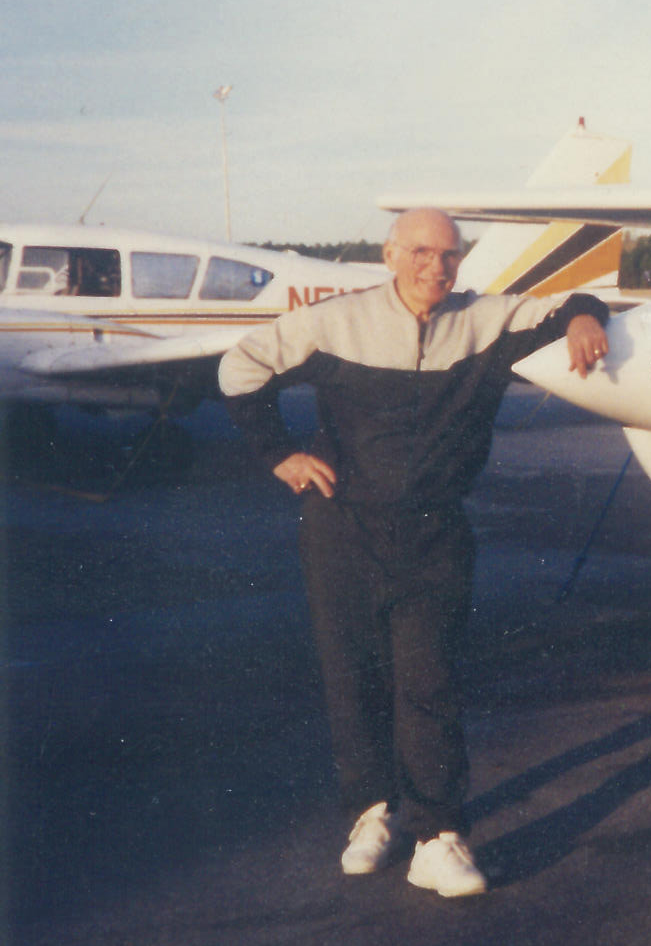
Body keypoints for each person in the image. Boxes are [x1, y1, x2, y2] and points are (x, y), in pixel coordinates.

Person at [220, 208, 610, 897]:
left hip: (435, 532)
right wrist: (280, 453)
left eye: (450, 255)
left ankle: (437, 836)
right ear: (391, 255)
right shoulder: (335, 321)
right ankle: (373, 813)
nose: (437, 267)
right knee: (352, 676)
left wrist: (583, 317)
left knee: (429, 679)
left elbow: (571, 302)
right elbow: (240, 365)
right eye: (422, 252)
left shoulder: (485, 320)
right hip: (341, 527)